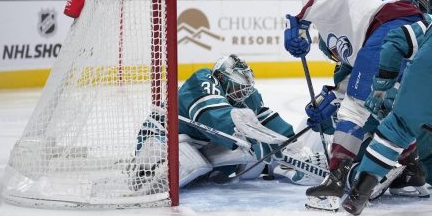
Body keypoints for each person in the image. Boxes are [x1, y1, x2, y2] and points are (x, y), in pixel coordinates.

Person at [283, 0, 424, 210]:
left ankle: (335, 180)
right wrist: (328, 103)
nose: (337, 58)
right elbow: (353, 82)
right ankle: (412, 169)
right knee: (388, 107)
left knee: (354, 108)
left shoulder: (336, 4)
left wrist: (298, 24)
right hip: (417, 34)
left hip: (391, 27)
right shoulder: (353, 50)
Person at [135, 54, 327, 188]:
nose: (241, 93)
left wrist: (290, 144)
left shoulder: (245, 97)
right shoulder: (202, 80)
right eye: (236, 87)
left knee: (253, 164)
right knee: (193, 164)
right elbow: (214, 117)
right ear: (220, 77)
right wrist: (256, 141)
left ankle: (292, 169)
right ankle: (147, 172)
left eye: (244, 88)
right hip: (162, 138)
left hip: (200, 143)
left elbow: (264, 118)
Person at [342, 14, 432, 216]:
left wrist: (383, 86)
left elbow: (395, 41)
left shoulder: (430, 21)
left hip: (419, 89)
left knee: (395, 131)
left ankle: (359, 193)